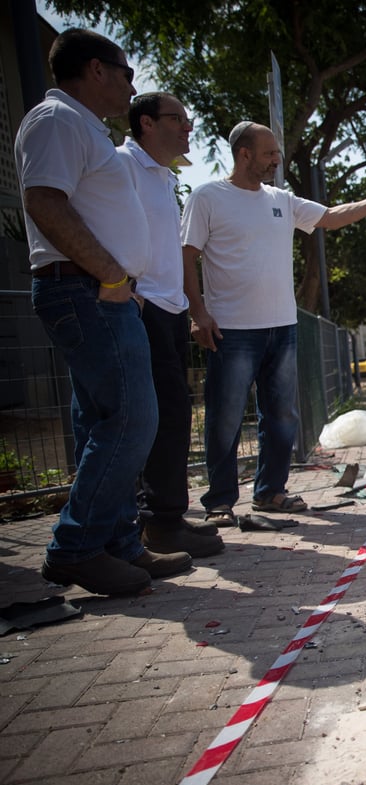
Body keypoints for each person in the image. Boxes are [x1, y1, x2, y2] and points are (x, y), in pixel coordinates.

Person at [14, 28, 192, 595]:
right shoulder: (57, 121)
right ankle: (76, 547)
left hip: (99, 293)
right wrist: (113, 275)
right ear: (96, 69)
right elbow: (43, 201)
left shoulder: (79, 126)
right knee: (134, 419)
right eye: (125, 72)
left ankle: (117, 542)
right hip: (87, 292)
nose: (129, 85)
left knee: (104, 422)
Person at [182, 122, 366, 525]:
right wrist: (197, 311)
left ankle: (270, 492)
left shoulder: (282, 199)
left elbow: (331, 217)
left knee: (283, 416)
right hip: (232, 330)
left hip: (282, 328)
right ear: (244, 154)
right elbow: (186, 255)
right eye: (270, 153)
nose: (277, 160)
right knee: (225, 416)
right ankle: (220, 503)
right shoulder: (208, 197)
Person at [116, 92, 224, 558]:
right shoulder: (122, 167)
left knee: (175, 416)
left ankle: (168, 518)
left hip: (169, 309)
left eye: (188, 119)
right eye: (177, 119)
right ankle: (154, 523)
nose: (187, 128)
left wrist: (190, 307)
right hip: (142, 307)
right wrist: (130, 292)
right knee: (152, 418)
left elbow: (170, 252)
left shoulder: (162, 177)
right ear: (145, 123)